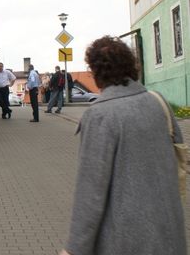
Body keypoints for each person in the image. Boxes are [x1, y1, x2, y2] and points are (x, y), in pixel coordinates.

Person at [59, 36, 186, 255]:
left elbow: (91, 192)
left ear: (97, 73)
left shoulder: (99, 115)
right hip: (170, 233)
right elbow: (178, 151)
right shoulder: (159, 101)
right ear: (131, 65)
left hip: (125, 240)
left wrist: (75, 248)